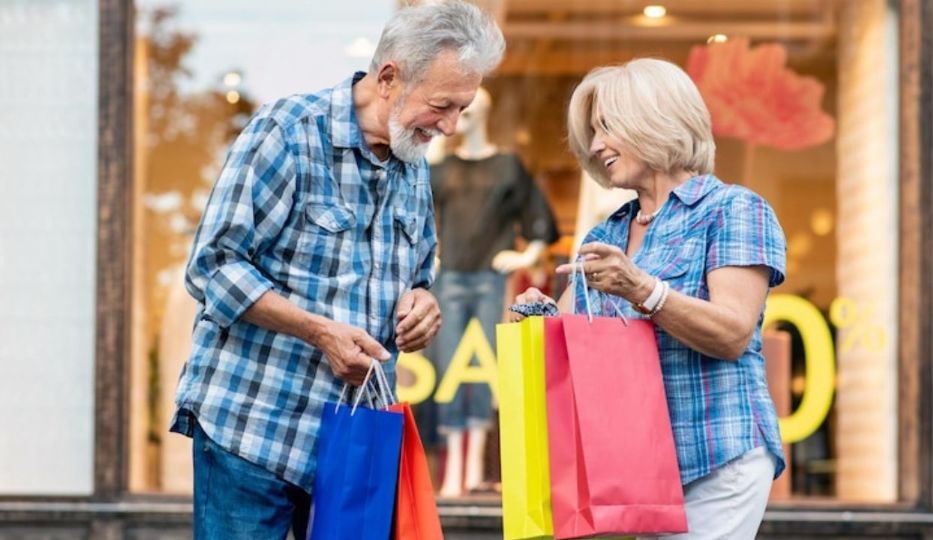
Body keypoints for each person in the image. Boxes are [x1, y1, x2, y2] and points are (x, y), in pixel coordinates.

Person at [169, 2, 505, 538]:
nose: (451, 125)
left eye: (461, 109)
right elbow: (214, 267)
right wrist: (320, 332)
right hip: (254, 431)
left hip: (353, 445)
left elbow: (418, 272)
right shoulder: (288, 131)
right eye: (443, 105)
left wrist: (422, 303)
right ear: (389, 78)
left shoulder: (410, 159)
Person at [512, 58, 787, 539]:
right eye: (592, 133)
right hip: (643, 468)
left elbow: (733, 333)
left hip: (717, 453)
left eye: (607, 128)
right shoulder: (609, 231)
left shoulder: (733, 209)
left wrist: (642, 289)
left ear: (656, 118)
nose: (596, 146)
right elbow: (574, 333)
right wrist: (539, 316)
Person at [429, 87, 559, 497]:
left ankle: (472, 466)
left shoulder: (507, 167)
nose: (457, 121)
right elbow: (419, 216)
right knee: (452, 366)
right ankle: (453, 467)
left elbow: (538, 217)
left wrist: (526, 255)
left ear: (480, 115)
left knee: (484, 363)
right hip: (448, 276)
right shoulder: (440, 168)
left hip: (489, 278)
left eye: (465, 112)